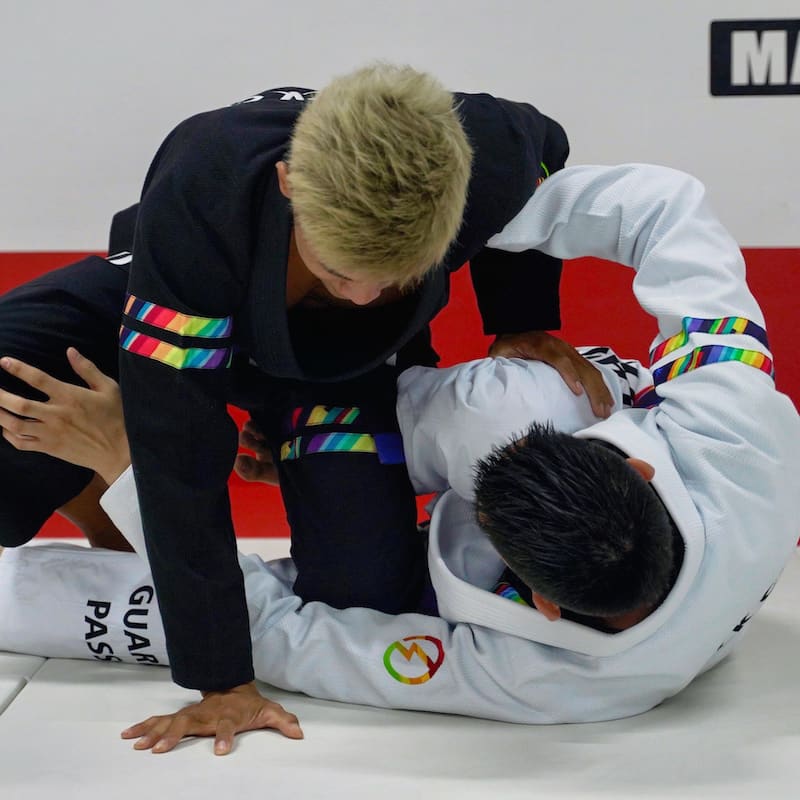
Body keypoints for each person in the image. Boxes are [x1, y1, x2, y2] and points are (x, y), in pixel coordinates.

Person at [2, 163, 797, 734]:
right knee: (507, 409)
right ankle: (309, 383)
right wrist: (429, 226)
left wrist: (131, 469)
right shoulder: (733, 432)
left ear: (538, 603)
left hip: (445, 579)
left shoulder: (549, 680)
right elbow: (663, 206)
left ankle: (303, 418)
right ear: (637, 461)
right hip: (504, 411)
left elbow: (288, 635)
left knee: (346, 599)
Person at [0, 63, 614, 752]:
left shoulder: (484, 154)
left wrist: (520, 317)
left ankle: (261, 451)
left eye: (393, 278)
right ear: (290, 185)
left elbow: (542, 151)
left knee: (362, 595)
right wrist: (222, 683)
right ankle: (94, 493)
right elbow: (182, 452)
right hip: (199, 298)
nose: (360, 296)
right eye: (341, 271)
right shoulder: (202, 193)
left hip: (340, 372)